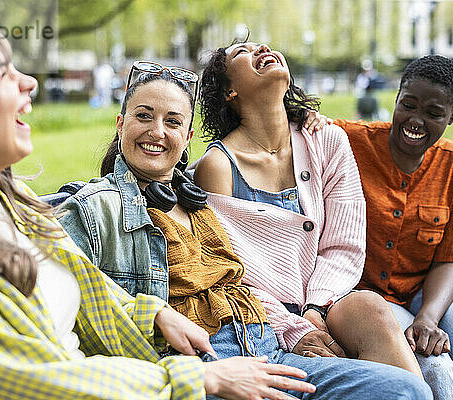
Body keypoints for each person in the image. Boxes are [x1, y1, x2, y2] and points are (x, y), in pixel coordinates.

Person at [0, 20, 322, 400]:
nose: (30, 82)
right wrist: (197, 378)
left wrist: (154, 314)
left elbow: (91, 291)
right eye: (2, 74)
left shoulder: (15, 210)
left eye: (173, 122)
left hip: (243, 350)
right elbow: (36, 381)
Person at [58, 60, 432, 400]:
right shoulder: (94, 207)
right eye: (144, 116)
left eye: (173, 122)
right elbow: (70, 311)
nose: (157, 132)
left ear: (187, 139)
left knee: (405, 389)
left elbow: (249, 282)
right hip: (207, 368)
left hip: (269, 350)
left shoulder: (195, 202)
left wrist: (294, 330)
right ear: (121, 124)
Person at [193, 41, 421, 375]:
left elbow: (344, 246)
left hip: (329, 299)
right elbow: (229, 272)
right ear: (229, 91)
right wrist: (293, 326)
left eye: (262, 45)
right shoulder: (217, 167)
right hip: (260, 316)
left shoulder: (327, 140)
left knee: (371, 308)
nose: (261, 48)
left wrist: (315, 307)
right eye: (243, 52)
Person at [332, 55, 453, 400]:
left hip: (426, 288)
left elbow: (450, 258)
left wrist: (429, 316)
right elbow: (293, 122)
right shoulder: (348, 140)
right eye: (408, 105)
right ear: (396, 98)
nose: (416, 120)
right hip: (366, 297)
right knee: (437, 368)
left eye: (433, 113)